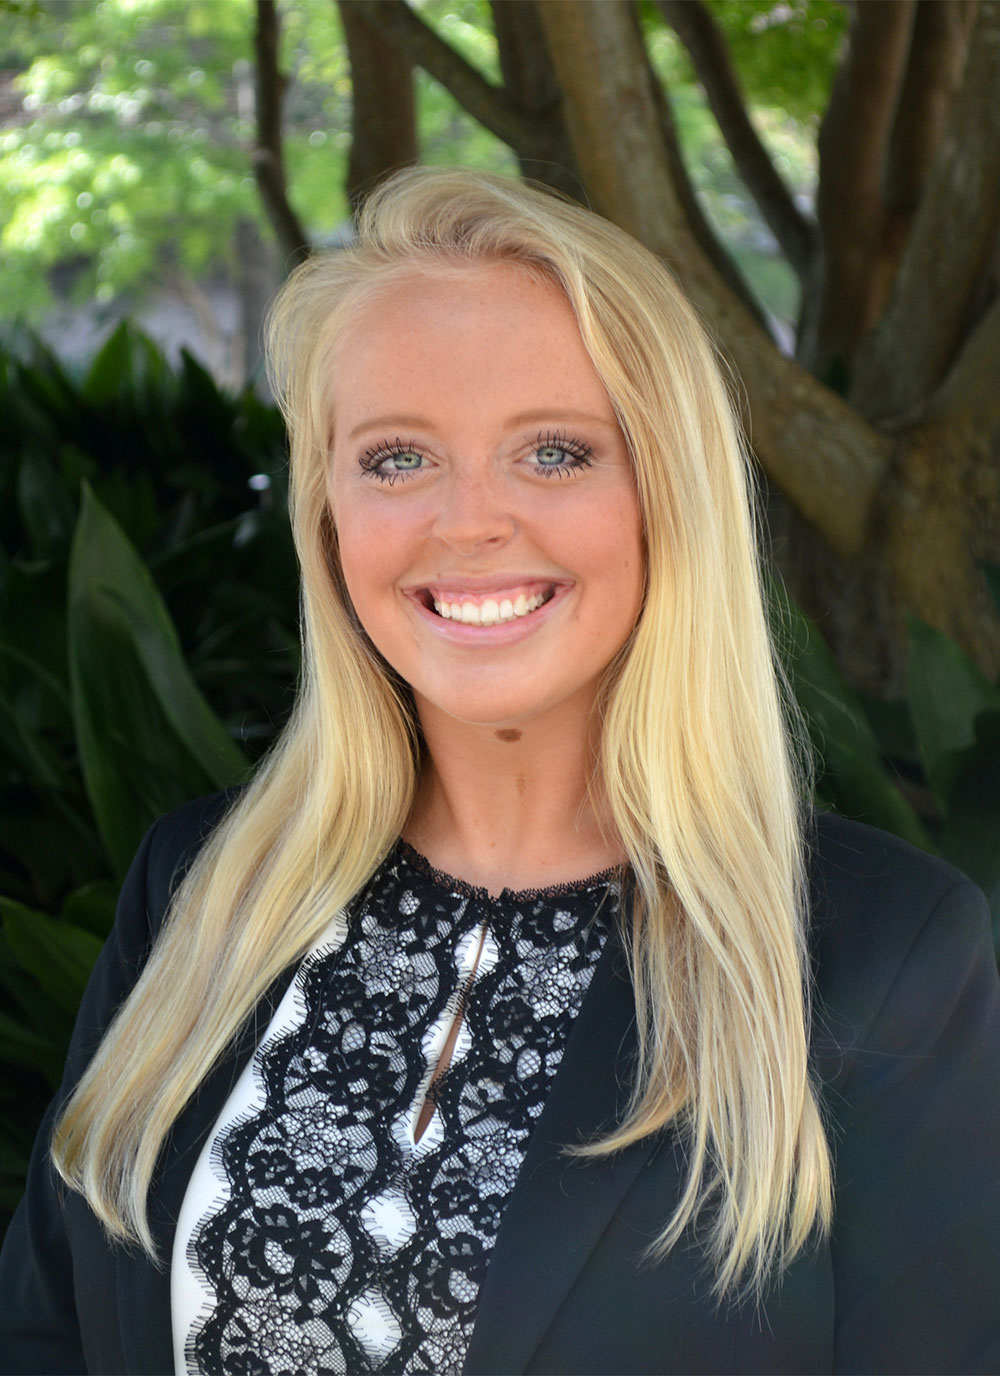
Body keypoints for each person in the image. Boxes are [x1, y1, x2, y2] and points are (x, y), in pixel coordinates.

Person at [2, 167, 999, 1376]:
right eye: (394, 459)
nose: (467, 521)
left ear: (664, 495)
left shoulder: (885, 952)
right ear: (327, 512)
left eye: (554, 451)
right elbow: (47, 1325)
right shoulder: (199, 885)